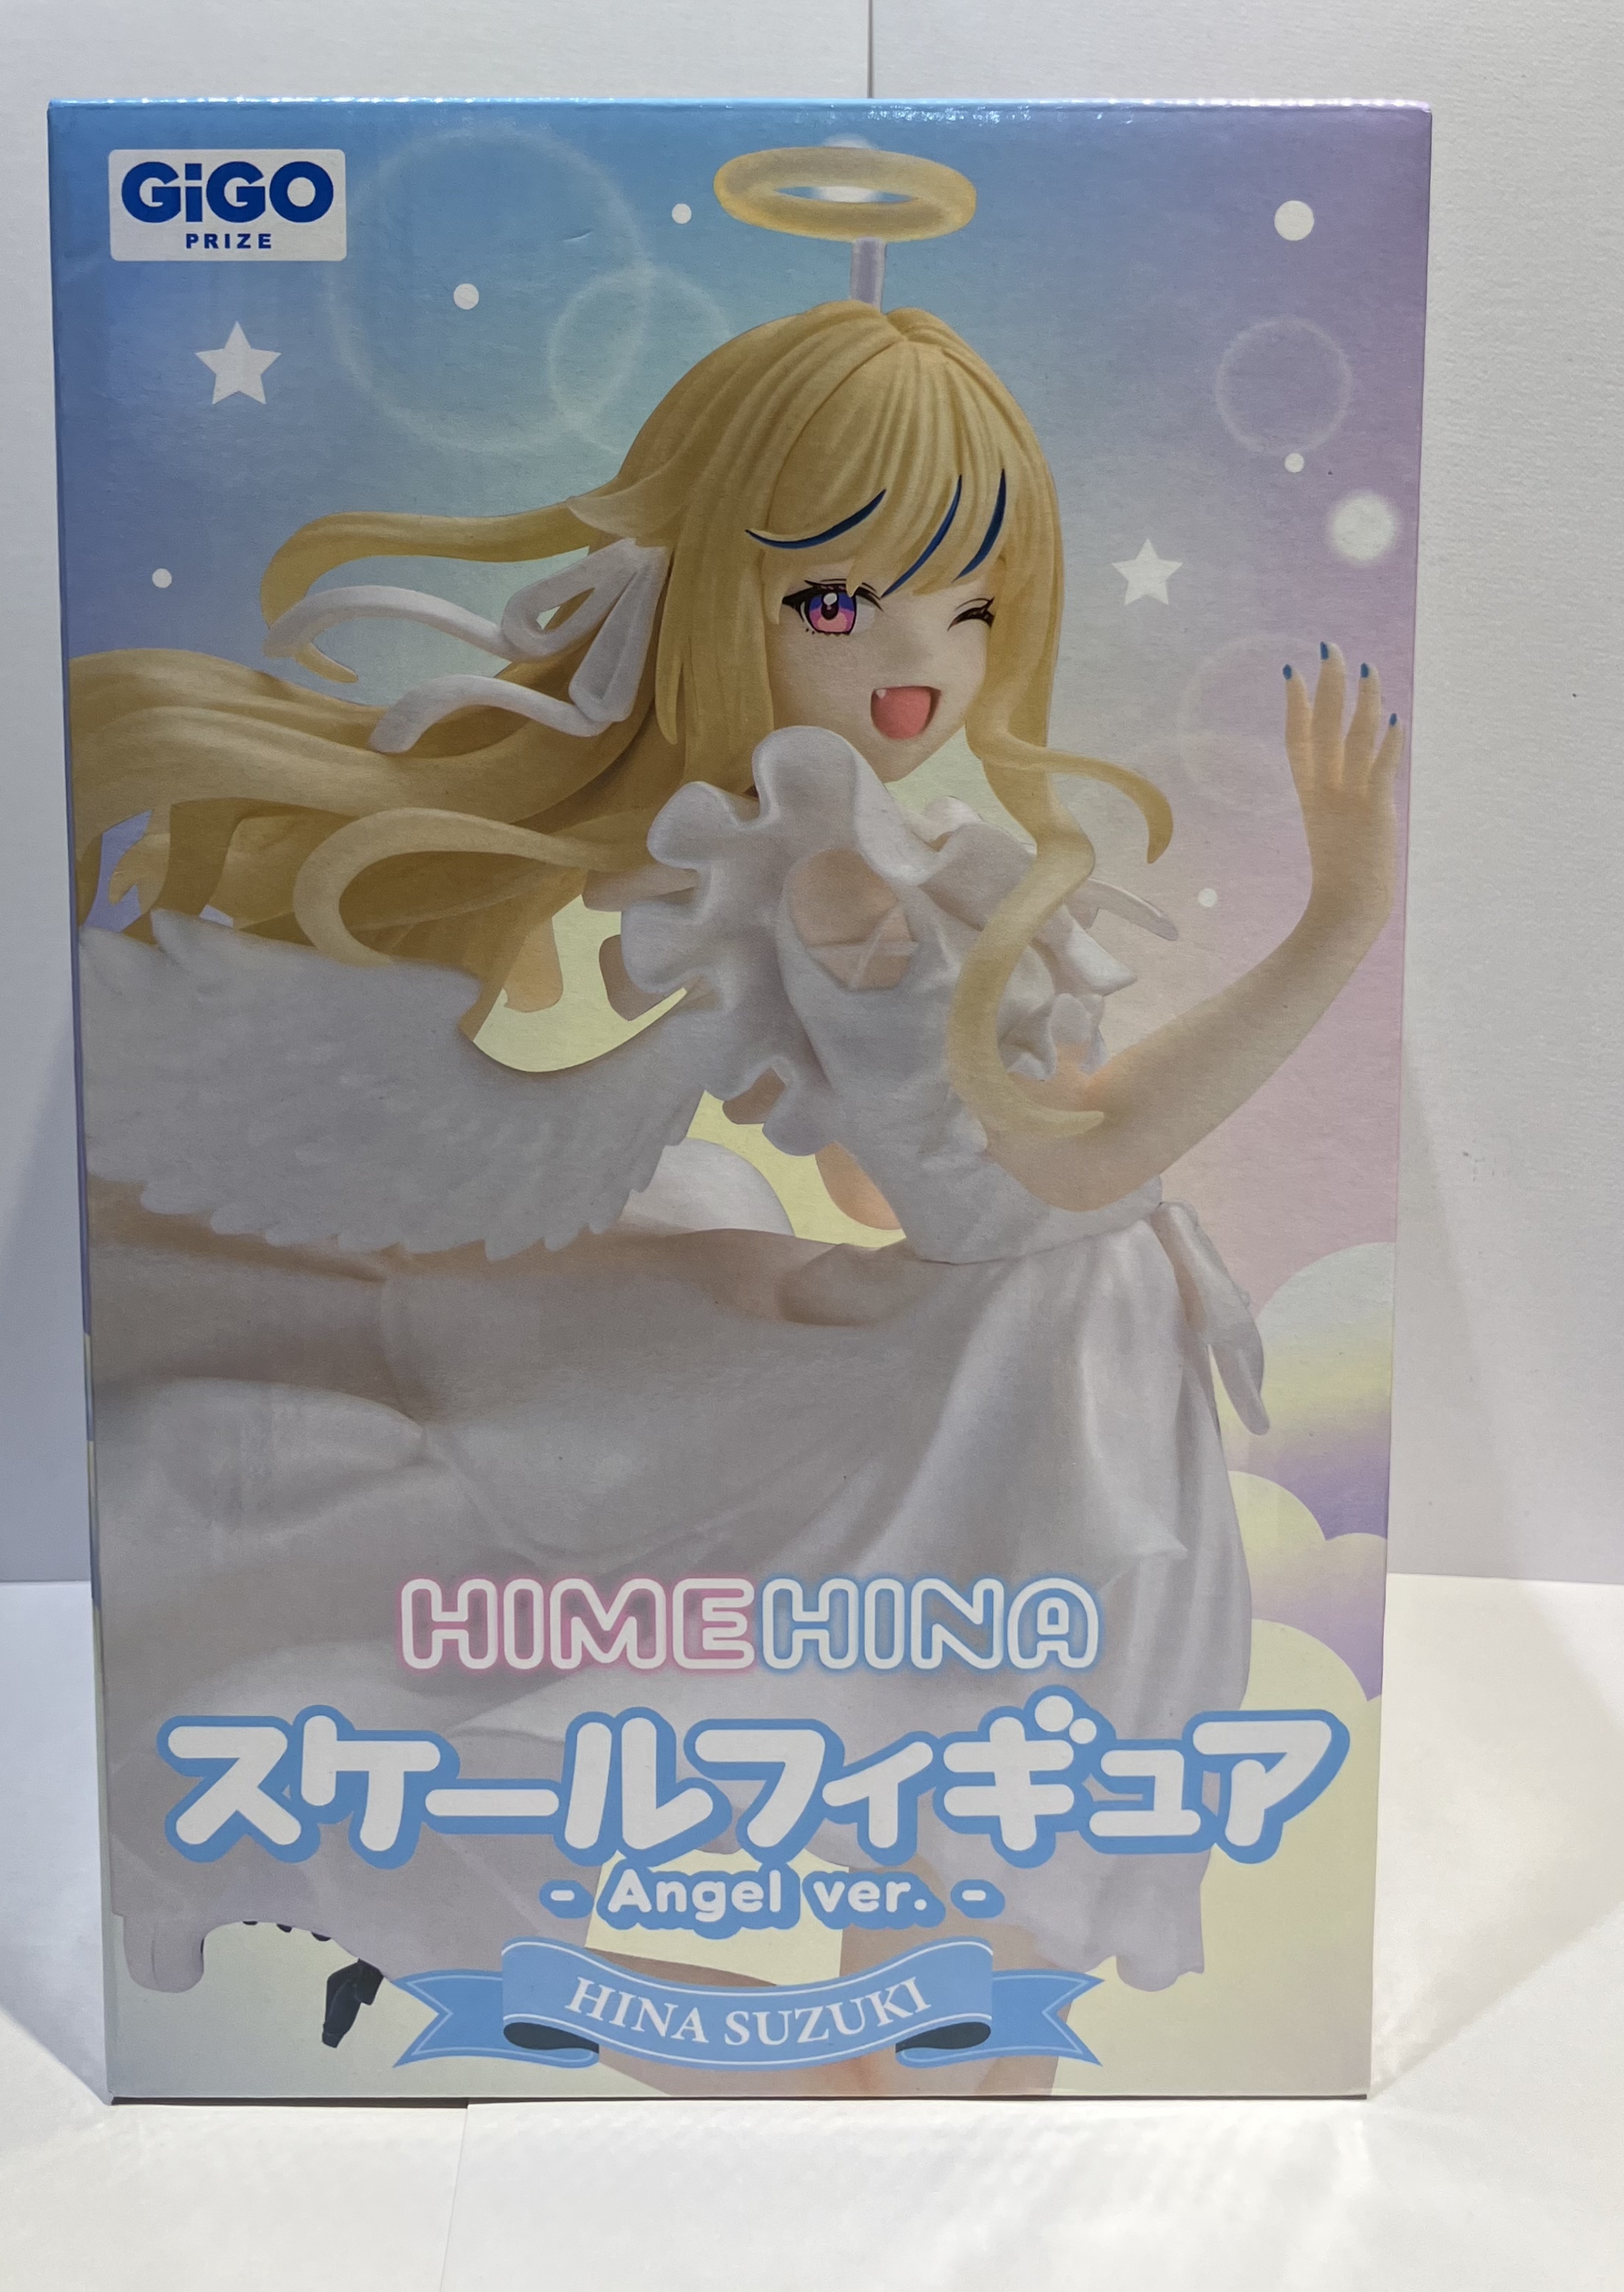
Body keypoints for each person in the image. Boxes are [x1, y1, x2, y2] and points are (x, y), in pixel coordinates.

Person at [73, 146, 1401, 2095]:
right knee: (972, 1810)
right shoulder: (843, 870)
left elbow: (897, 1162)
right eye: (842, 599)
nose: (918, 663)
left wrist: (900, 1120)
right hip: (1010, 1382)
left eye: (969, 603)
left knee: (978, 1843)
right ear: (721, 599)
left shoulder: (881, 848)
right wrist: (1337, 921)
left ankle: (861, 2100)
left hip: (1036, 1368)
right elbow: (1051, 1171)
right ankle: (794, 2082)